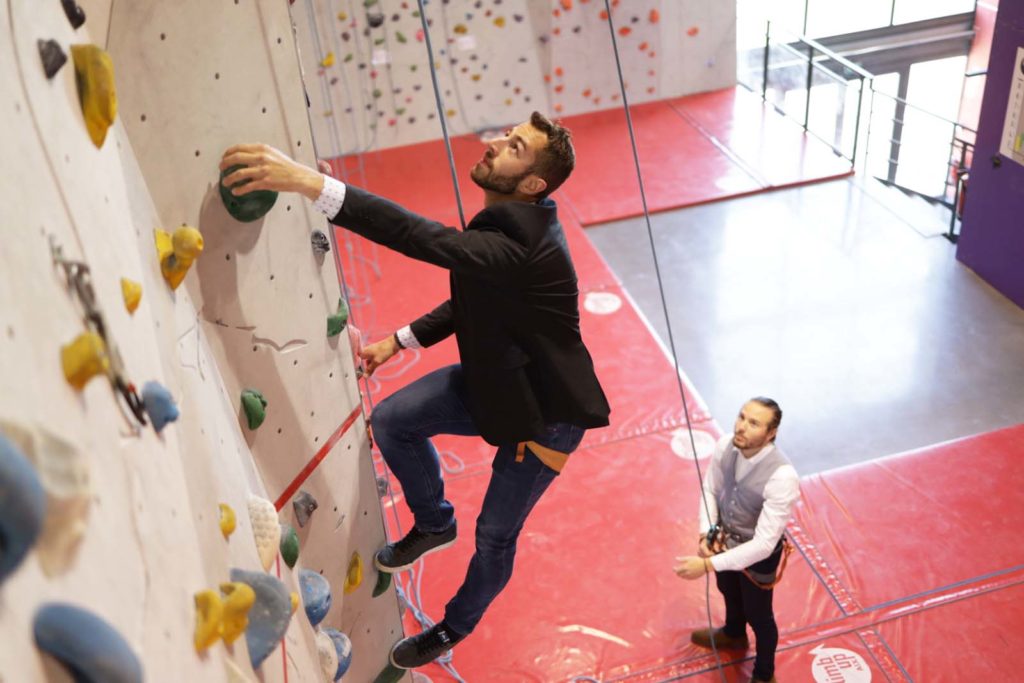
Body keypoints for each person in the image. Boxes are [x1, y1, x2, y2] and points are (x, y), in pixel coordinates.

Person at [220, 111, 610, 669]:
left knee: (495, 536)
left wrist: (309, 183)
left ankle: (453, 627)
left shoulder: (522, 245)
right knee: (393, 421)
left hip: (546, 418)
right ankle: (434, 521)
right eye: (507, 135)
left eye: (515, 146)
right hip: (499, 385)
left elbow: (418, 237)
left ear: (532, 184)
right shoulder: (514, 226)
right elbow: (475, 294)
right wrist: (398, 341)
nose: (496, 142)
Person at [674, 397, 799, 683]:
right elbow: (710, 488)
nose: (741, 427)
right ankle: (734, 634)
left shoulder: (782, 477)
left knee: (759, 615)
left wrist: (707, 565)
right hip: (725, 539)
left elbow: (764, 544)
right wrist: (706, 532)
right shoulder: (725, 446)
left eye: (754, 423)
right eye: (741, 417)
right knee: (728, 589)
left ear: (771, 433)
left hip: (758, 552)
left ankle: (764, 675)